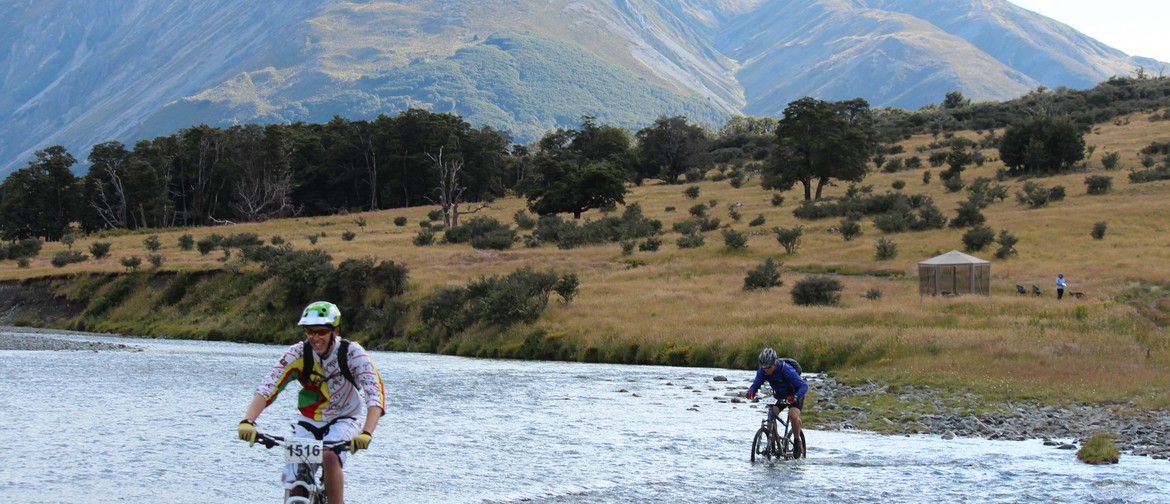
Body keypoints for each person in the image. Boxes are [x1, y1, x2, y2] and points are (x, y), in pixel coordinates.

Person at [237, 301, 386, 504]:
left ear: (335, 331)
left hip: (344, 418)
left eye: (322, 332)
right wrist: (248, 421)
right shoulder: (298, 354)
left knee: (329, 456)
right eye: (310, 332)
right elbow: (269, 386)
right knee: (296, 477)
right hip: (309, 419)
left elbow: (374, 393)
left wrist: (367, 432)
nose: (315, 338)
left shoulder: (353, 354)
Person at [745, 347, 808, 453]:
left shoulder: (786, 369)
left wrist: (795, 397)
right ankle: (773, 443)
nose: (766, 370)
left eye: (768, 367)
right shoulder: (763, 371)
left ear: (774, 363)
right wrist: (751, 392)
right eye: (763, 367)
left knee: (792, 415)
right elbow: (756, 384)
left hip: (795, 395)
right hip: (780, 396)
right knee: (771, 416)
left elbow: (804, 386)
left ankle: (797, 441)